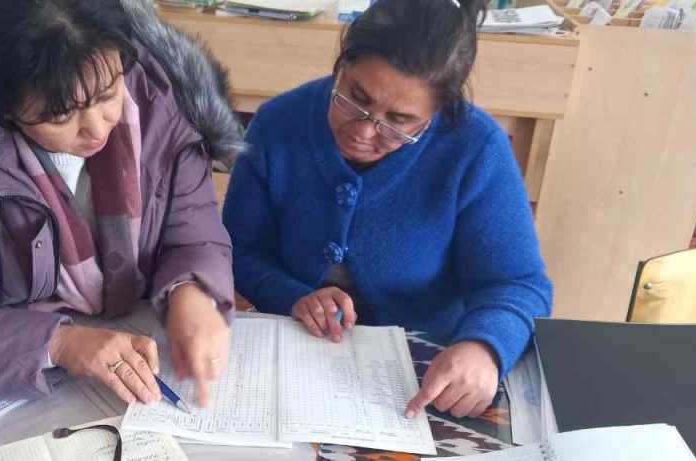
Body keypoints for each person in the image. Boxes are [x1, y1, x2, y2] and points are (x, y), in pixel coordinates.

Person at [0, 0, 243, 406]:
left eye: (109, 93)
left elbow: (194, 235)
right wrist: (57, 343)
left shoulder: (168, 108)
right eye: (59, 116)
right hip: (9, 388)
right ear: (1, 105)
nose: (96, 128)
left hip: (133, 351)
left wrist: (192, 290)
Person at [223, 0, 552, 419]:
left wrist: (484, 347)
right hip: (294, 355)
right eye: (354, 98)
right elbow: (238, 250)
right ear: (342, 63)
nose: (363, 131)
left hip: (427, 370)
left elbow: (519, 284)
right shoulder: (277, 123)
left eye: (397, 121)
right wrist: (292, 295)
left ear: (437, 113)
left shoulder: (476, 147)